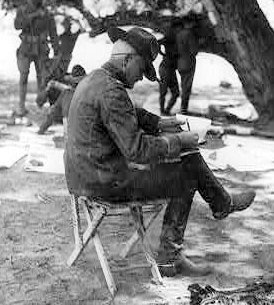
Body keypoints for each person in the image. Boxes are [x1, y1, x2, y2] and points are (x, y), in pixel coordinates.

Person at [64, 27, 256, 277]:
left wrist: (161, 124)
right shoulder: (112, 91)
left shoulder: (97, 79)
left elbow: (128, 113)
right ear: (127, 60)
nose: (141, 77)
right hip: (103, 182)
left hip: (85, 175)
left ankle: (221, 204)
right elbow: (137, 150)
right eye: (142, 69)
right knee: (186, 173)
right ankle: (171, 255)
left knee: (188, 157)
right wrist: (177, 140)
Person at [14, 0, 59, 117]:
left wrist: (56, 51)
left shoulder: (47, 13)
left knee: (42, 79)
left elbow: (53, 32)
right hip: (26, 48)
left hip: (41, 49)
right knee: (23, 77)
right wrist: (33, 16)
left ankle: (40, 107)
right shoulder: (23, 10)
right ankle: (21, 107)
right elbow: (17, 25)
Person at [37, 65, 86, 134]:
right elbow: (40, 102)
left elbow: (52, 113)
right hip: (78, 128)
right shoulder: (86, 92)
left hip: (70, 128)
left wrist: (41, 129)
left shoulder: (67, 92)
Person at [41, 17, 84, 88]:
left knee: (58, 74)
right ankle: (53, 82)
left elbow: (81, 29)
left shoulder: (69, 36)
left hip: (63, 58)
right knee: (58, 74)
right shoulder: (67, 36)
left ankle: (53, 82)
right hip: (62, 58)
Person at [176, 23, 199, 114]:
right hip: (189, 62)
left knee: (183, 85)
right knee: (187, 87)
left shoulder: (178, 34)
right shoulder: (189, 34)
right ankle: (184, 109)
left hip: (180, 62)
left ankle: (183, 108)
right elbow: (194, 51)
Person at [158, 25, 180, 116]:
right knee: (164, 91)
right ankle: (163, 111)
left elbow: (157, 43)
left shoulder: (174, 38)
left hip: (169, 68)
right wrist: (162, 53)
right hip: (166, 68)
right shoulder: (170, 37)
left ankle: (165, 110)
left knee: (175, 92)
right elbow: (156, 43)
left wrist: (162, 53)